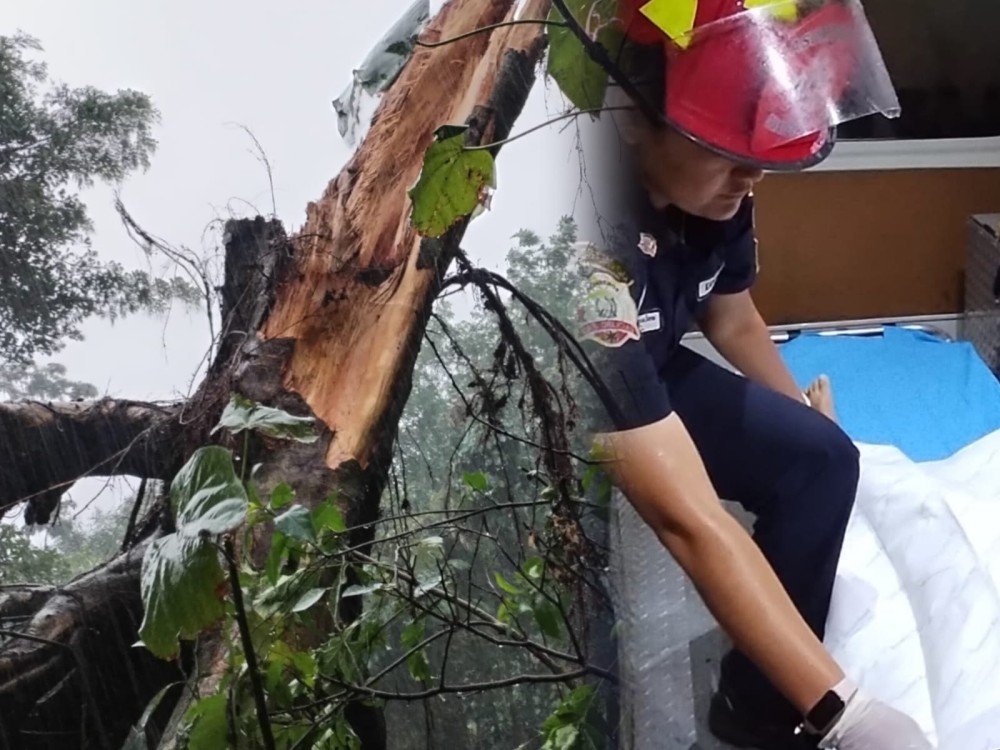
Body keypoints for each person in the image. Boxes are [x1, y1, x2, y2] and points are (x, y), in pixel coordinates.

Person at [574, 0, 934, 748]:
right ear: (632, 114)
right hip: (582, 400)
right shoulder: (589, 245)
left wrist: (799, 416)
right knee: (683, 514)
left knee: (823, 461)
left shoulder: (720, 191)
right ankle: (810, 698)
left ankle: (757, 701)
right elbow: (688, 519)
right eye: (725, 148)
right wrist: (847, 713)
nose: (752, 175)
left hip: (657, 363)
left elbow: (730, 315)